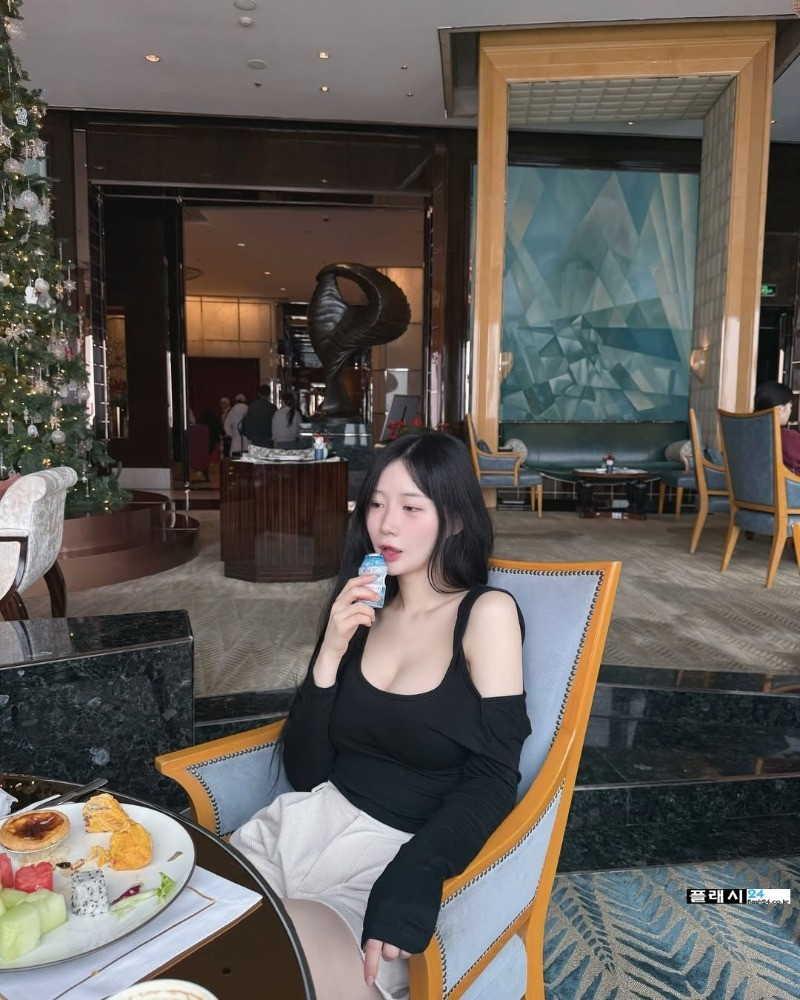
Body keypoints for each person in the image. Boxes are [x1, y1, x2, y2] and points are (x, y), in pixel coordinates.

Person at [230, 433, 530, 1000]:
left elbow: (495, 775)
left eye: (411, 508)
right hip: (302, 828)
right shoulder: (365, 610)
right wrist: (329, 654)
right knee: (187, 937)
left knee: (278, 957)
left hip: (390, 858)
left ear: (455, 519)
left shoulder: (486, 614)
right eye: (375, 503)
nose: (386, 525)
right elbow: (307, 773)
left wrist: (418, 869)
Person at [753, 380, 800, 474]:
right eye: (790, 406)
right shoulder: (788, 437)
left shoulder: (743, 433)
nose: (790, 411)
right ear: (780, 409)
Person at [241, 383, 277, 448]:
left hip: (255, 438)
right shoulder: (272, 408)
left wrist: (248, 435)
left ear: (259, 394)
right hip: (268, 439)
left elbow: (247, 423)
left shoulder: (252, 406)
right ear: (269, 394)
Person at [223, 393, 249, 458]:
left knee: (236, 459)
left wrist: (232, 435)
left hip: (236, 441)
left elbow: (226, 425)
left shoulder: (232, 410)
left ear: (236, 400)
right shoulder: (248, 409)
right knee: (247, 459)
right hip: (247, 440)